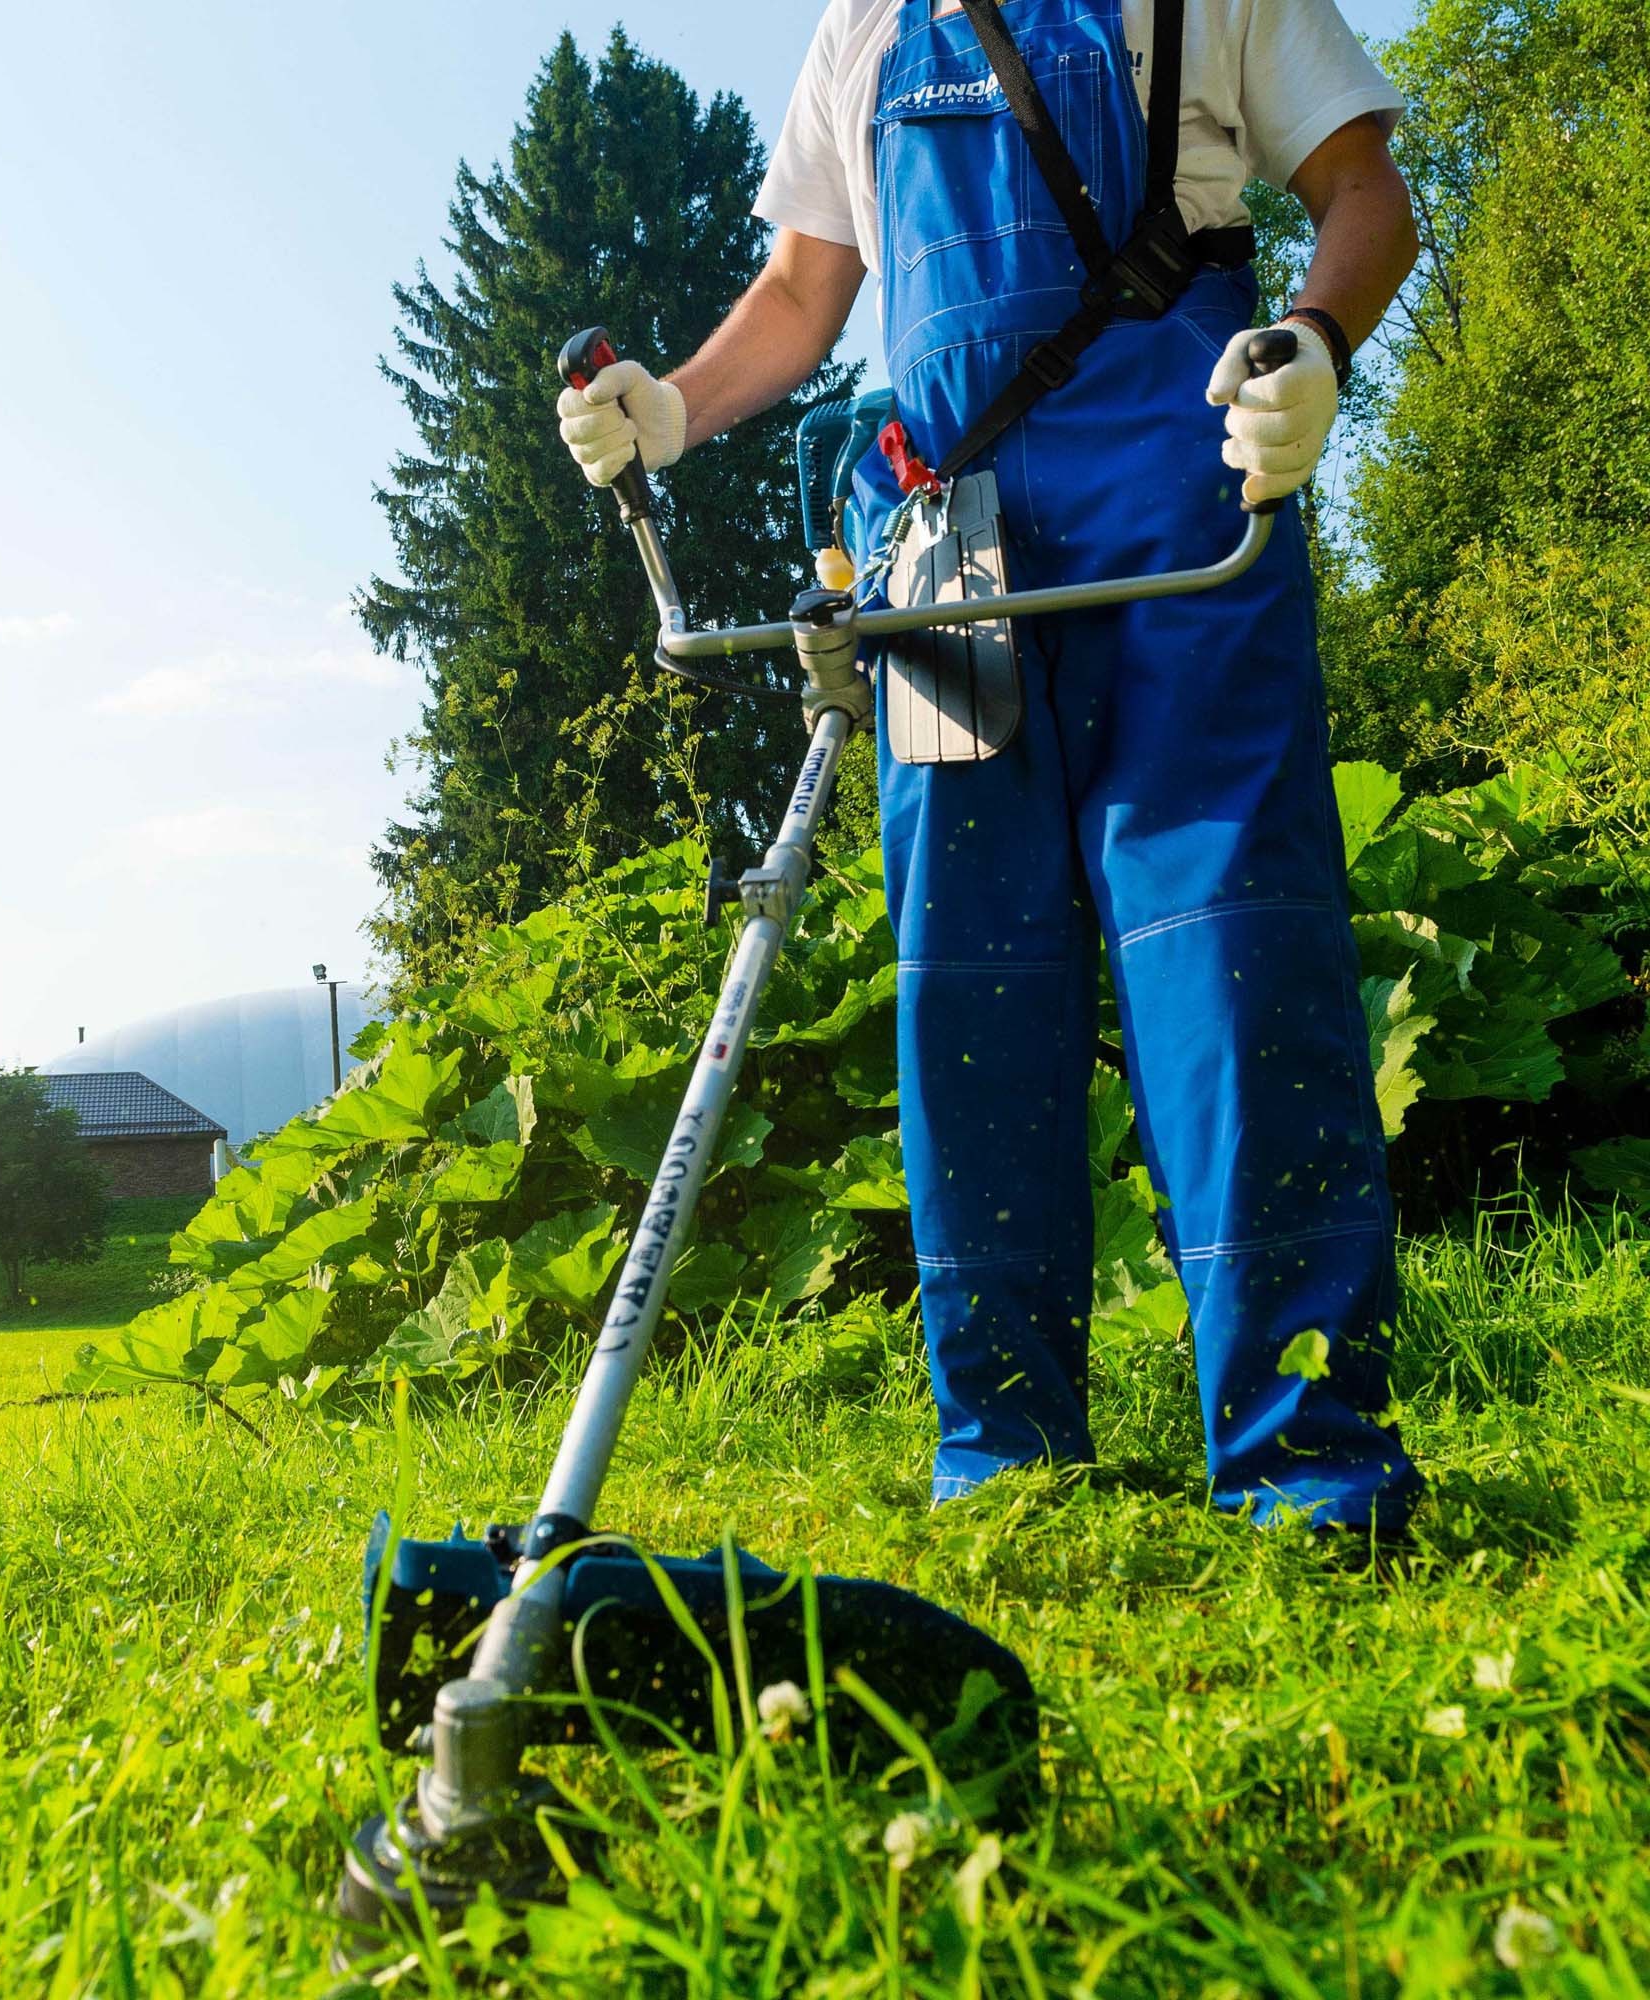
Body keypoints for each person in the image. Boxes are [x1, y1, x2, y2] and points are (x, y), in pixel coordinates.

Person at [556, 0, 1424, 1535]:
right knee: (970, 985)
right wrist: (676, 404)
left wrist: (1318, 346)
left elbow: (1366, 193)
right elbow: (803, 288)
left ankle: (1303, 1451)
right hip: (954, 551)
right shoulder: (869, 28)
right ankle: (1008, 1453)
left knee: (1227, 955)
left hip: (1185, 511)